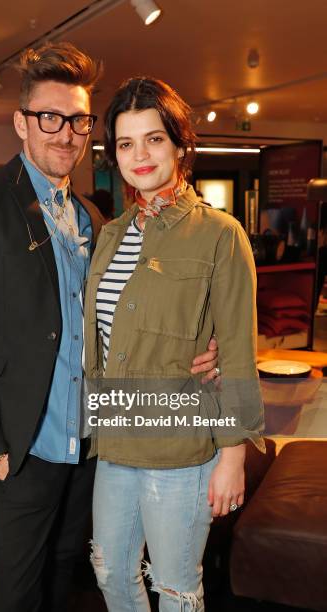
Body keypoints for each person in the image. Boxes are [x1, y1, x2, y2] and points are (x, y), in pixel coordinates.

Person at [0, 44, 219, 612]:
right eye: (50, 118)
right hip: (24, 446)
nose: (66, 134)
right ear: (22, 122)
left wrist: (196, 350)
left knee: (67, 571)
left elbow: (122, 316)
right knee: (17, 587)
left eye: (80, 120)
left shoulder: (92, 216)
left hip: (91, 446)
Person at [84, 77, 264, 611]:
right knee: (111, 570)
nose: (139, 155)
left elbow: (235, 350)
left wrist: (233, 456)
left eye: (154, 139)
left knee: (176, 587)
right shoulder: (112, 234)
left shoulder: (219, 233)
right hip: (116, 435)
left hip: (182, 446)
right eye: (125, 143)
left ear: (180, 145)